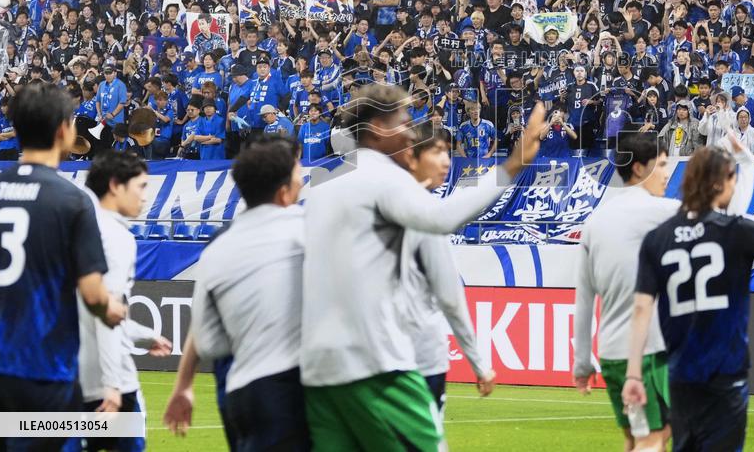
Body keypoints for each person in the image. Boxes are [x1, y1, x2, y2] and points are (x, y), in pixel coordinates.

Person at [301, 83, 545, 450]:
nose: (410, 131)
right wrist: (512, 166)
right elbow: (441, 219)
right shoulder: (386, 179)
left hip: (319, 368)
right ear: (379, 128)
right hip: (377, 363)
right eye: (403, 122)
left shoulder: (323, 188)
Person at [622, 149, 754, 451]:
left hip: (680, 377)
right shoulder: (737, 230)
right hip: (724, 376)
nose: (735, 185)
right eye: (733, 178)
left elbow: (641, 308)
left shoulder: (657, 238)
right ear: (719, 183)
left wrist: (633, 374)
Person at [575, 130, 754, 452]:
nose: (667, 173)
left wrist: (582, 362)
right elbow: (728, 217)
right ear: (638, 169)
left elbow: (584, 298)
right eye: (660, 165)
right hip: (647, 352)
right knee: (654, 439)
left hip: (613, 352)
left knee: (636, 438)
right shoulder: (660, 212)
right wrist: (746, 162)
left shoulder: (594, 222)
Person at [0, 83, 126, 452]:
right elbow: (93, 294)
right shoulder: (72, 200)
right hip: (45, 368)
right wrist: (111, 309)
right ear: (64, 130)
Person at [190, 137, 309, 451]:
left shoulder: (217, 245)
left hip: (238, 390)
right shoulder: (307, 230)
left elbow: (207, 340)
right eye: (298, 175)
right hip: (290, 386)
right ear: (284, 190)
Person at [74, 151, 172, 452]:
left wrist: (146, 335)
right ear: (116, 185)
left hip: (71, 379)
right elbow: (106, 315)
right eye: (141, 186)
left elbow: (94, 306)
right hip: (109, 384)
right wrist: (112, 385)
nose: (145, 196)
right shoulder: (116, 238)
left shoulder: (76, 229)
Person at [400, 125, 495, 418]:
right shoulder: (424, 215)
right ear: (412, 157)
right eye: (437, 152)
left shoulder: (381, 204)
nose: (446, 161)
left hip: (381, 358)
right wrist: (479, 364)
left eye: (448, 153)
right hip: (422, 359)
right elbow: (451, 299)